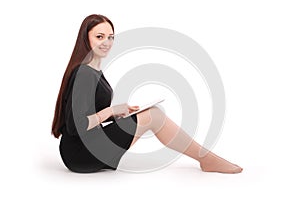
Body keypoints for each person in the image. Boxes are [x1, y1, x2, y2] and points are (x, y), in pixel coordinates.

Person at [52, 14, 243, 174]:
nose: (107, 42)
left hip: (86, 147)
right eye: (99, 37)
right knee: (154, 115)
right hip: (79, 153)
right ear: (86, 39)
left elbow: (89, 113)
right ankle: (206, 159)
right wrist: (111, 111)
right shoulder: (84, 73)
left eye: (111, 37)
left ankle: (206, 158)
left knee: (153, 113)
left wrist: (118, 113)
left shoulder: (93, 71)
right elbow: (77, 126)